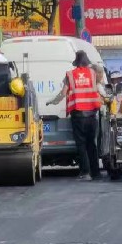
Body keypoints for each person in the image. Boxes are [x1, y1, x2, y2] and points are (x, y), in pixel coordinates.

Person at [47, 51, 109, 181]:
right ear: (87, 62)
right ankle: (96, 173)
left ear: (76, 62)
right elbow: (100, 90)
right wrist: (108, 99)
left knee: (81, 144)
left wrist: (52, 101)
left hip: (78, 115)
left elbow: (63, 93)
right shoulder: (93, 74)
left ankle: (85, 173)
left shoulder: (70, 75)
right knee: (91, 144)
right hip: (92, 114)